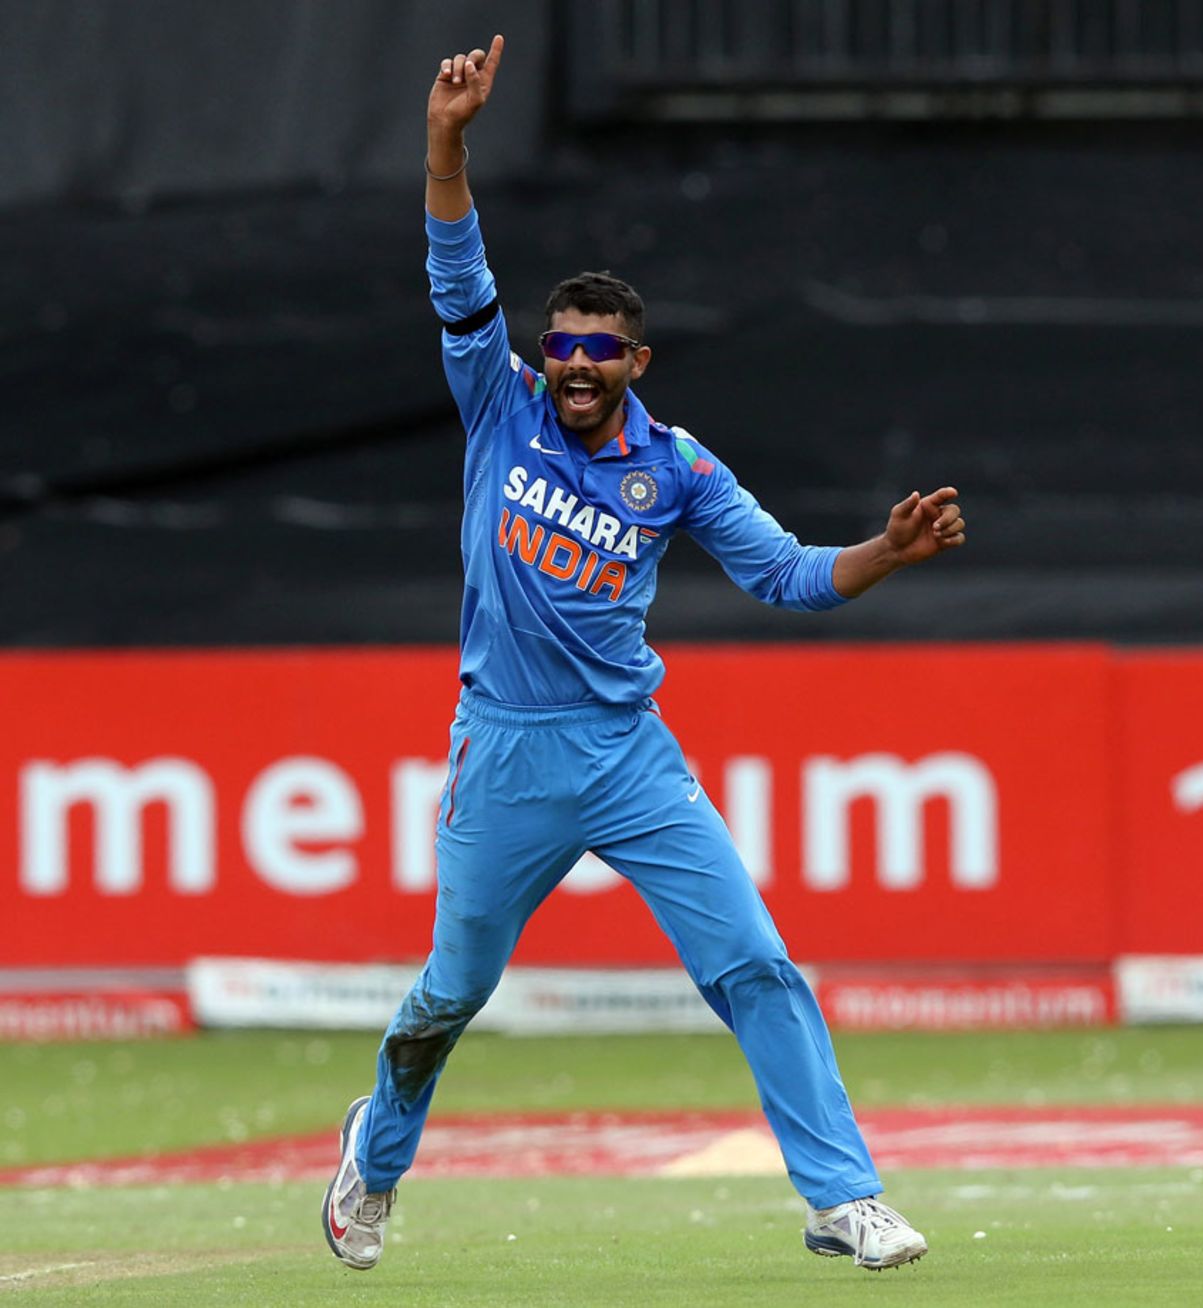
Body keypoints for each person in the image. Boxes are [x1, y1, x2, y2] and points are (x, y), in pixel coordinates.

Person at [324, 33, 965, 1275]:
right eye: (557, 343)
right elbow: (453, 260)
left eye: (593, 350)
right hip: (504, 751)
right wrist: (445, 138)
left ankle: (844, 1197)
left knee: (757, 965)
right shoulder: (495, 398)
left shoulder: (675, 467)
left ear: (633, 361)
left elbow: (785, 576)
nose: (569, 364)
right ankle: (377, 1156)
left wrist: (881, 553)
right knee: (446, 1000)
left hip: (627, 755)